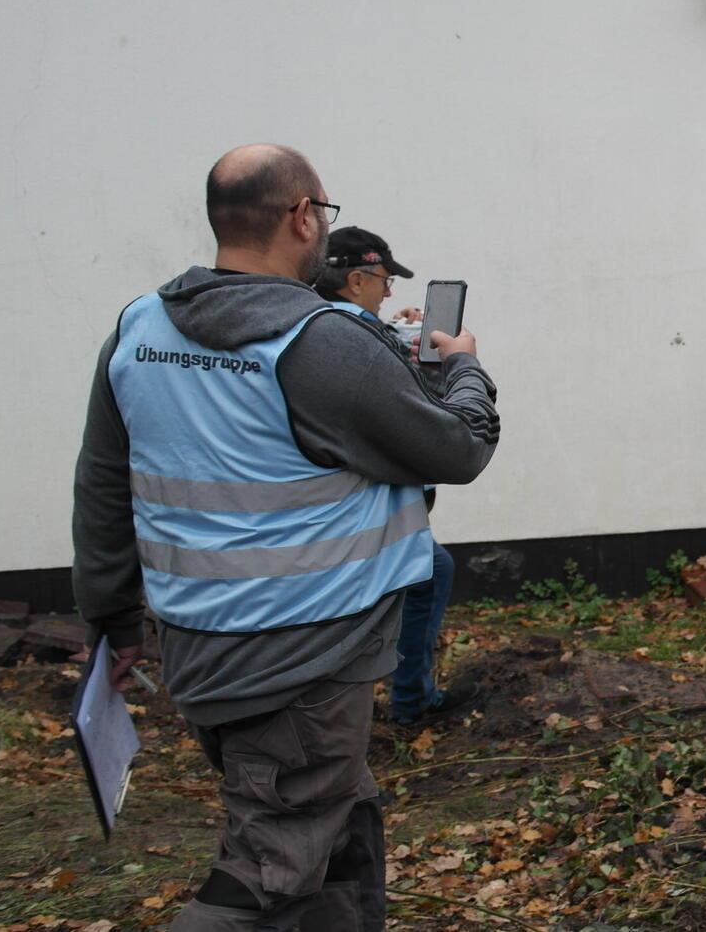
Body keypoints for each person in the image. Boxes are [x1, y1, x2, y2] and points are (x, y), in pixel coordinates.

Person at [71, 144, 501, 931]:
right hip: (303, 662)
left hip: (200, 655)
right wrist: (464, 368)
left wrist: (112, 618)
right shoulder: (320, 340)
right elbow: (457, 447)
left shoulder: (138, 328)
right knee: (268, 872)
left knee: (341, 829)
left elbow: (104, 483)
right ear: (303, 217)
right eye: (323, 212)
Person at [315, 226, 481, 727]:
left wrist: (398, 336)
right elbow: (450, 439)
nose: (390, 293)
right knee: (427, 572)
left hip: (334, 510)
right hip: (357, 512)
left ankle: (398, 698)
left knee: (431, 569)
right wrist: (462, 364)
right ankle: (407, 702)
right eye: (385, 282)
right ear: (357, 280)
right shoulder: (356, 342)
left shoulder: (321, 329)